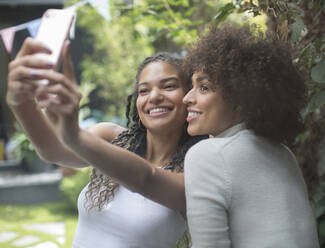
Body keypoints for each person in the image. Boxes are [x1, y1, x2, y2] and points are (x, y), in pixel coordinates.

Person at [6, 38, 203, 247]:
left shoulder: (196, 169)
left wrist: (74, 135)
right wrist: (20, 101)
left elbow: (145, 179)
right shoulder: (112, 138)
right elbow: (52, 150)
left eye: (169, 86)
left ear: (189, 96)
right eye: (144, 90)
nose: (154, 97)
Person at [182, 24, 320, 247]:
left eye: (204, 88)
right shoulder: (283, 153)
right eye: (192, 86)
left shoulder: (207, 155)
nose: (187, 98)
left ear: (239, 98)